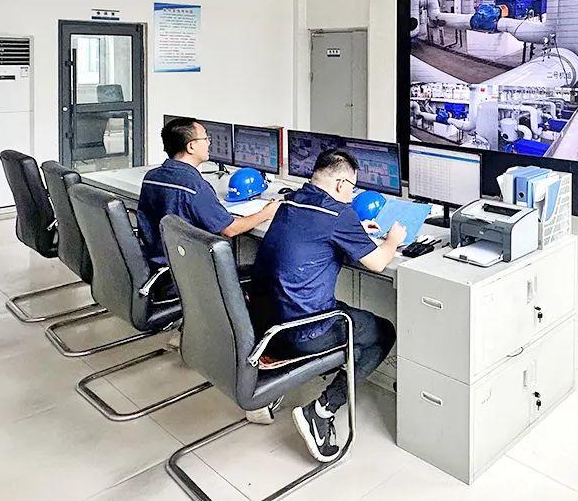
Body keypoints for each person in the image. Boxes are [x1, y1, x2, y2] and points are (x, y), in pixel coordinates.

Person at [250, 149, 407, 463]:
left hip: (264, 327)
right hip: (303, 332)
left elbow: (313, 236)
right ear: (340, 185)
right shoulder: (338, 214)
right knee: (382, 333)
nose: (352, 196)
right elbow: (378, 262)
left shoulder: (290, 201)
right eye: (352, 189)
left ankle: (282, 385)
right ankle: (322, 411)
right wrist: (392, 240)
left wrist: (355, 231)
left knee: (353, 325)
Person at [137, 117, 280, 288]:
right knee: (268, 272)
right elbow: (230, 229)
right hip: (189, 274)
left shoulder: (151, 177)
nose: (209, 143)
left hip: (159, 265)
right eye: (205, 138)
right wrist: (267, 213)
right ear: (191, 146)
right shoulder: (194, 187)